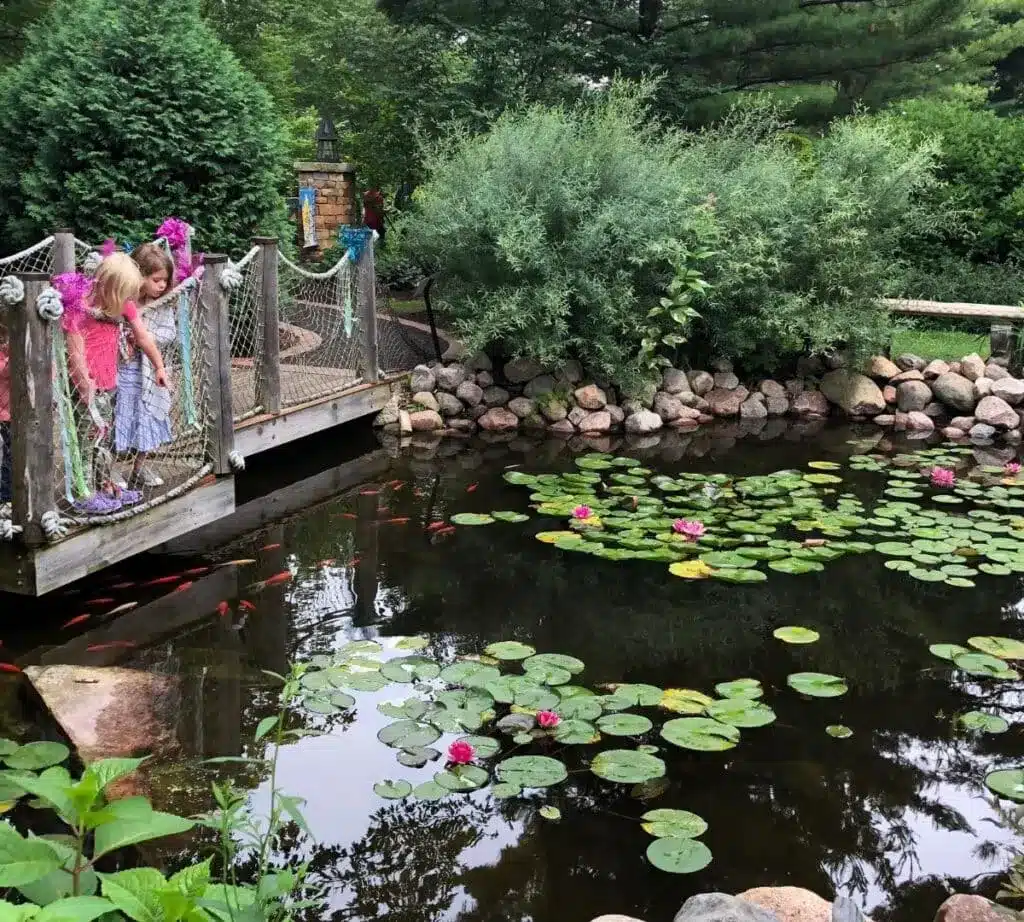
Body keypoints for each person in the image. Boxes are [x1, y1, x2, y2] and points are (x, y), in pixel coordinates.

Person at [62, 252, 169, 510]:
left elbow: (143, 337)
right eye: (125, 295)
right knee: (86, 438)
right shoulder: (78, 307)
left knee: (104, 437)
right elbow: (75, 351)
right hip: (87, 386)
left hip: (109, 382)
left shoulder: (122, 304)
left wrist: (159, 366)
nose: (129, 301)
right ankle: (83, 493)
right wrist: (84, 384)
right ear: (107, 288)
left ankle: (104, 485)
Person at [114, 243, 176, 488]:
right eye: (156, 279)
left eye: (165, 280)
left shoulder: (163, 303)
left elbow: (169, 333)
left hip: (150, 371)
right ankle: (111, 469)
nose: (161, 285)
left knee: (148, 416)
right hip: (125, 370)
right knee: (122, 416)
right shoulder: (123, 301)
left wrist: (144, 335)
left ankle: (139, 467)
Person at [0, 325, 10, 505]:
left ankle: (7, 494)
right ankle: (6, 496)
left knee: (10, 458)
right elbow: (6, 371)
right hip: (4, 416)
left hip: (10, 415)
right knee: (7, 459)